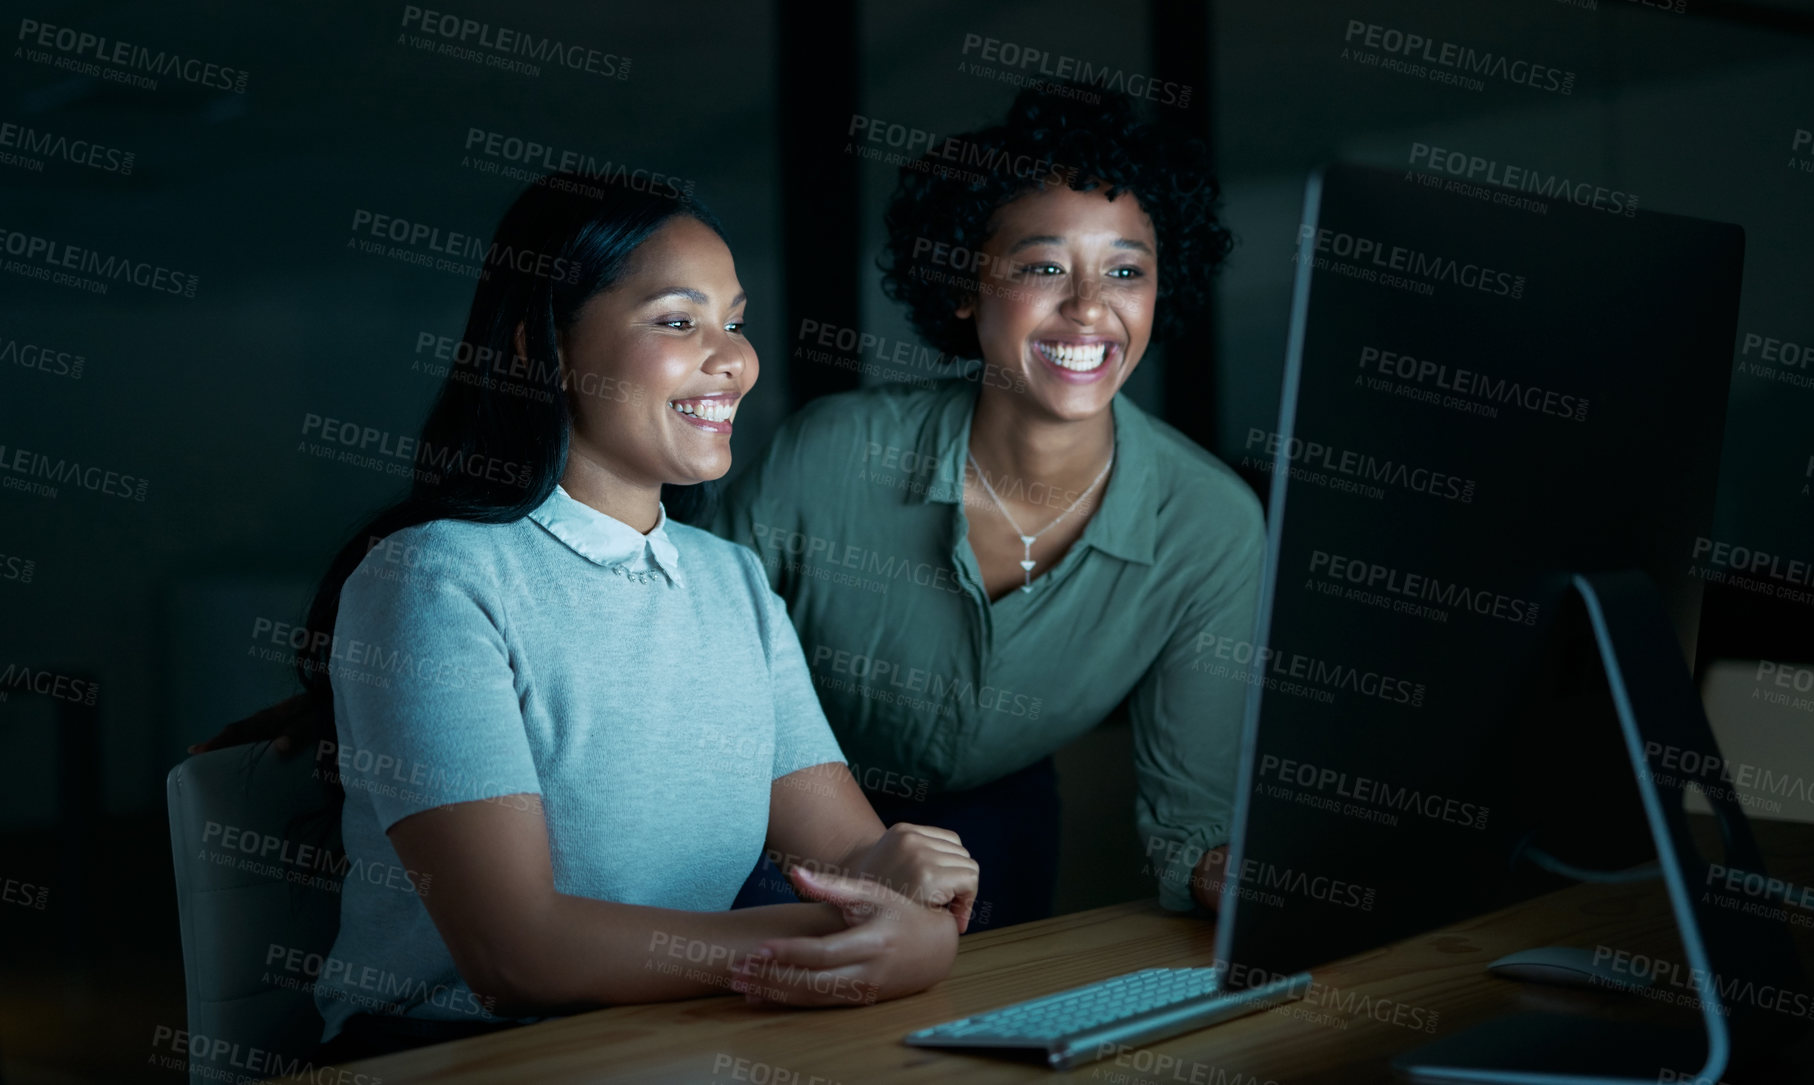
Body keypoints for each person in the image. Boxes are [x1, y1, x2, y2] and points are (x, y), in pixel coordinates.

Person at [194, 177, 975, 1062]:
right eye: (679, 322)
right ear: (545, 346)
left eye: (736, 319)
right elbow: (515, 954)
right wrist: (842, 938)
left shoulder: (732, 581)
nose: (733, 360)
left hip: (663, 1040)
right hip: (447, 1053)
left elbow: (853, 858)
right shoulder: (436, 577)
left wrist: (913, 890)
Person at [712, 84, 1261, 930]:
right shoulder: (827, 455)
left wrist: (1226, 875)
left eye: (1125, 270)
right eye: (1042, 267)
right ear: (964, 283)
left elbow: (1196, 816)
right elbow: (691, 668)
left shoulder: (1210, 524)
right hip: (772, 824)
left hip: (1001, 826)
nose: (1088, 307)